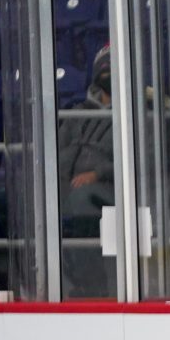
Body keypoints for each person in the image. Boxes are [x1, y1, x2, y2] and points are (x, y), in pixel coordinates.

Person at [57, 44, 115, 298]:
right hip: (67, 183)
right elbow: (56, 150)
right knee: (9, 200)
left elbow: (143, 159)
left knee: (83, 199)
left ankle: (92, 285)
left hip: (111, 188)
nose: (108, 75)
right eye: (104, 69)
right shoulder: (77, 111)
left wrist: (97, 174)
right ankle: (40, 275)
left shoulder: (139, 112)